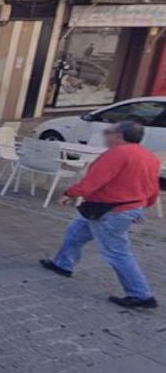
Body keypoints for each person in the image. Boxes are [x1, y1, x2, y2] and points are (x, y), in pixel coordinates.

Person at [40, 120, 161, 309]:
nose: (106, 135)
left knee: (117, 251)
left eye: (109, 132)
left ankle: (140, 294)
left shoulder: (117, 154)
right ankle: (62, 264)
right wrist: (143, 206)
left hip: (110, 209)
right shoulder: (149, 157)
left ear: (119, 136)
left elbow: (95, 180)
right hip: (121, 207)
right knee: (76, 231)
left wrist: (69, 193)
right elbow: (152, 187)